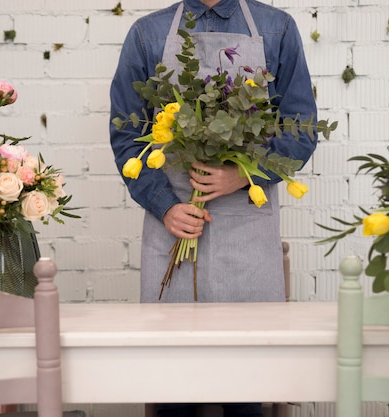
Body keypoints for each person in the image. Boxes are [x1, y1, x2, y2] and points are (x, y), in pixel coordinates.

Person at [109, 0, 317, 415]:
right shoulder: (146, 34)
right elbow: (127, 135)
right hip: (173, 232)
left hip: (248, 235)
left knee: (246, 391)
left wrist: (244, 175)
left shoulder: (277, 28)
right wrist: (166, 206)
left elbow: (301, 129)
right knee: (173, 393)